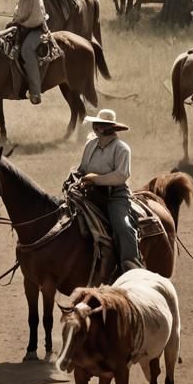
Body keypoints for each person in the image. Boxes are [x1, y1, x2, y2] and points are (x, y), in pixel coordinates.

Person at [73, 109, 141, 275]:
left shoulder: (122, 149)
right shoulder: (90, 145)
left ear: (108, 128)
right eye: (95, 124)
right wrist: (75, 177)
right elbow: (82, 169)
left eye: (98, 125)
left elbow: (120, 176)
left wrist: (95, 179)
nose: (95, 127)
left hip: (114, 195)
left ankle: (131, 268)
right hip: (89, 193)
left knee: (123, 227)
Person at [8, 0, 47, 105]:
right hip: (23, 29)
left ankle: (35, 92)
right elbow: (18, 13)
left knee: (26, 51)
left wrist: (20, 23)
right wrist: (15, 21)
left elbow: (36, 19)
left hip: (36, 31)